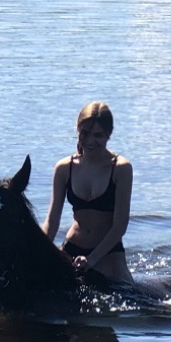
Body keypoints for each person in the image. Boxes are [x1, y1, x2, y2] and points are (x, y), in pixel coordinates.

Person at [44, 101, 135, 287]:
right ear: (78, 131)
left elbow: (119, 226)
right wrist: (37, 252)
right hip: (72, 248)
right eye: (85, 134)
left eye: (98, 135)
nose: (90, 141)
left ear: (108, 135)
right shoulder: (64, 168)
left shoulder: (121, 168)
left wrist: (92, 259)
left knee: (129, 300)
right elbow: (52, 222)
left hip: (108, 251)